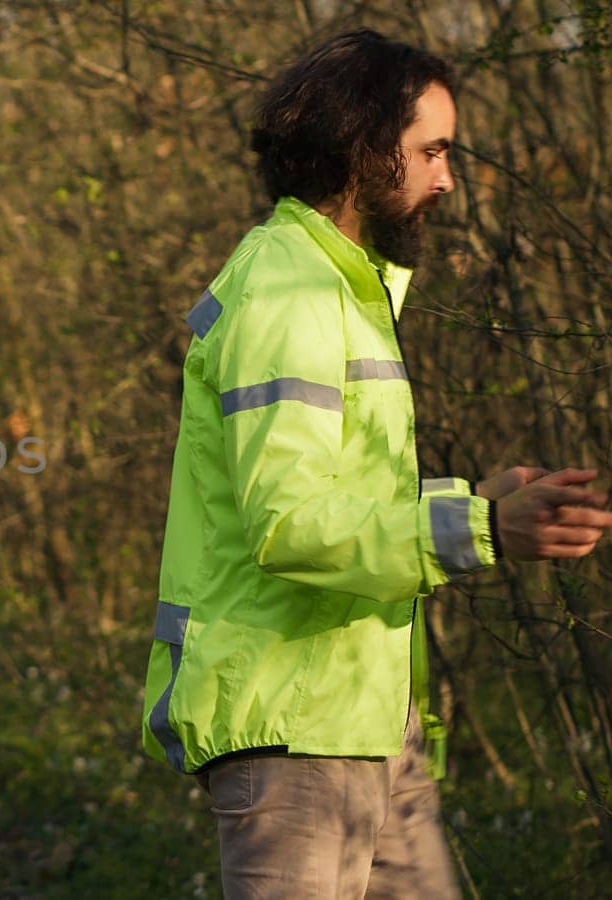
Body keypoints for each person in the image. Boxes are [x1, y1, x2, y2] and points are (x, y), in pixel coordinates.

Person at [140, 29, 612, 899]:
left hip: (364, 727)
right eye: (432, 151)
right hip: (292, 734)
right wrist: (481, 528)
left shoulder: (339, 287)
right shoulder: (289, 292)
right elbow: (290, 524)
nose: (447, 179)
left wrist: (476, 502)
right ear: (361, 146)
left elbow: (339, 497)